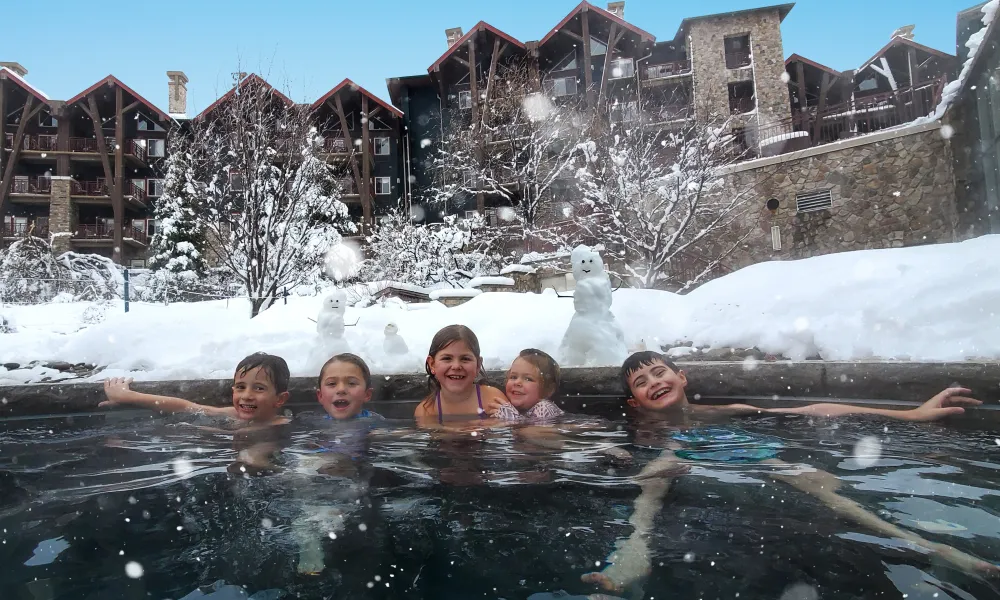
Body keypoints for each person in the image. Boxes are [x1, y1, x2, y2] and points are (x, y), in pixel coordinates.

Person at [581, 351, 997, 595]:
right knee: (653, 481)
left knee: (819, 486)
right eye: (640, 381)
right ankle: (632, 555)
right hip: (671, 450)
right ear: (634, 402)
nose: (653, 381)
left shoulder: (726, 412)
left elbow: (812, 411)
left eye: (659, 372)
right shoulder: (640, 426)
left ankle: (930, 546)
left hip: (739, 448)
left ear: (681, 376)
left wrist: (912, 415)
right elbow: (583, 434)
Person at [101, 352, 292, 427]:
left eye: (258, 388)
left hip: (261, 472)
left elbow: (237, 435)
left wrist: (189, 428)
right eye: (240, 387)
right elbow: (189, 407)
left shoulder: (278, 425)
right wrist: (129, 397)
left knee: (251, 460)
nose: (246, 396)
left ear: (280, 399)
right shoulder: (236, 413)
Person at [414, 324, 509, 424]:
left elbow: (512, 429)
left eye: (465, 359)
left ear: (478, 365)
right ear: (432, 364)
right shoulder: (426, 411)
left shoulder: (493, 398)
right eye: (447, 358)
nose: (456, 366)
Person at [494, 348, 565, 421]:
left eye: (528, 379)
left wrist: (511, 417)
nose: (517, 382)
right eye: (513, 377)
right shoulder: (520, 409)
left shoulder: (544, 407)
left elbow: (535, 431)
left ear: (548, 390)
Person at [314, 353, 382, 420]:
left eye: (352, 383)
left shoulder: (378, 426)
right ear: (320, 396)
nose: (341, 389)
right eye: (331, 383)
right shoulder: (314, 426)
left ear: (367, 394)